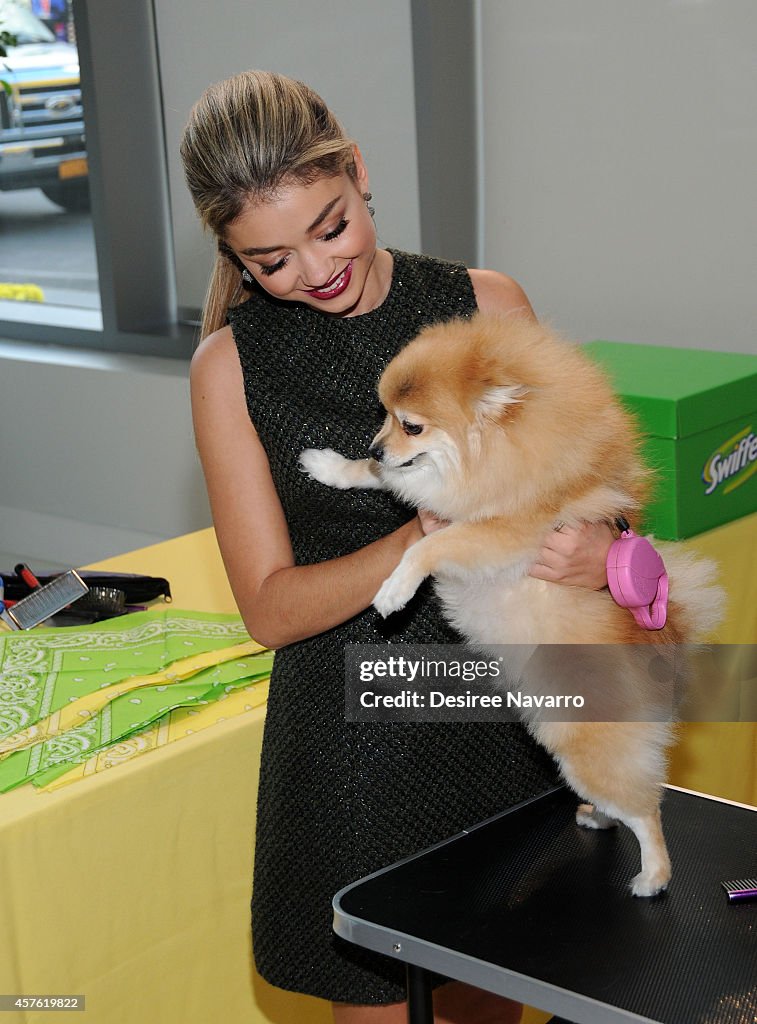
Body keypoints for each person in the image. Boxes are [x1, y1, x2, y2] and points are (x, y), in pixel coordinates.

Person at [180, 70, 613, 1024]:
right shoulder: (230, 368)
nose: (313, 270)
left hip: (508, 710)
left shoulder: (484, 306)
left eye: (328, 227)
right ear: (230, 253)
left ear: (359, 172)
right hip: (360, 743)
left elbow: (589, 489)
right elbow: (269, 608)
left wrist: (605, 549)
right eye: (269, 260)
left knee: (508, 994)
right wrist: (412, 541)